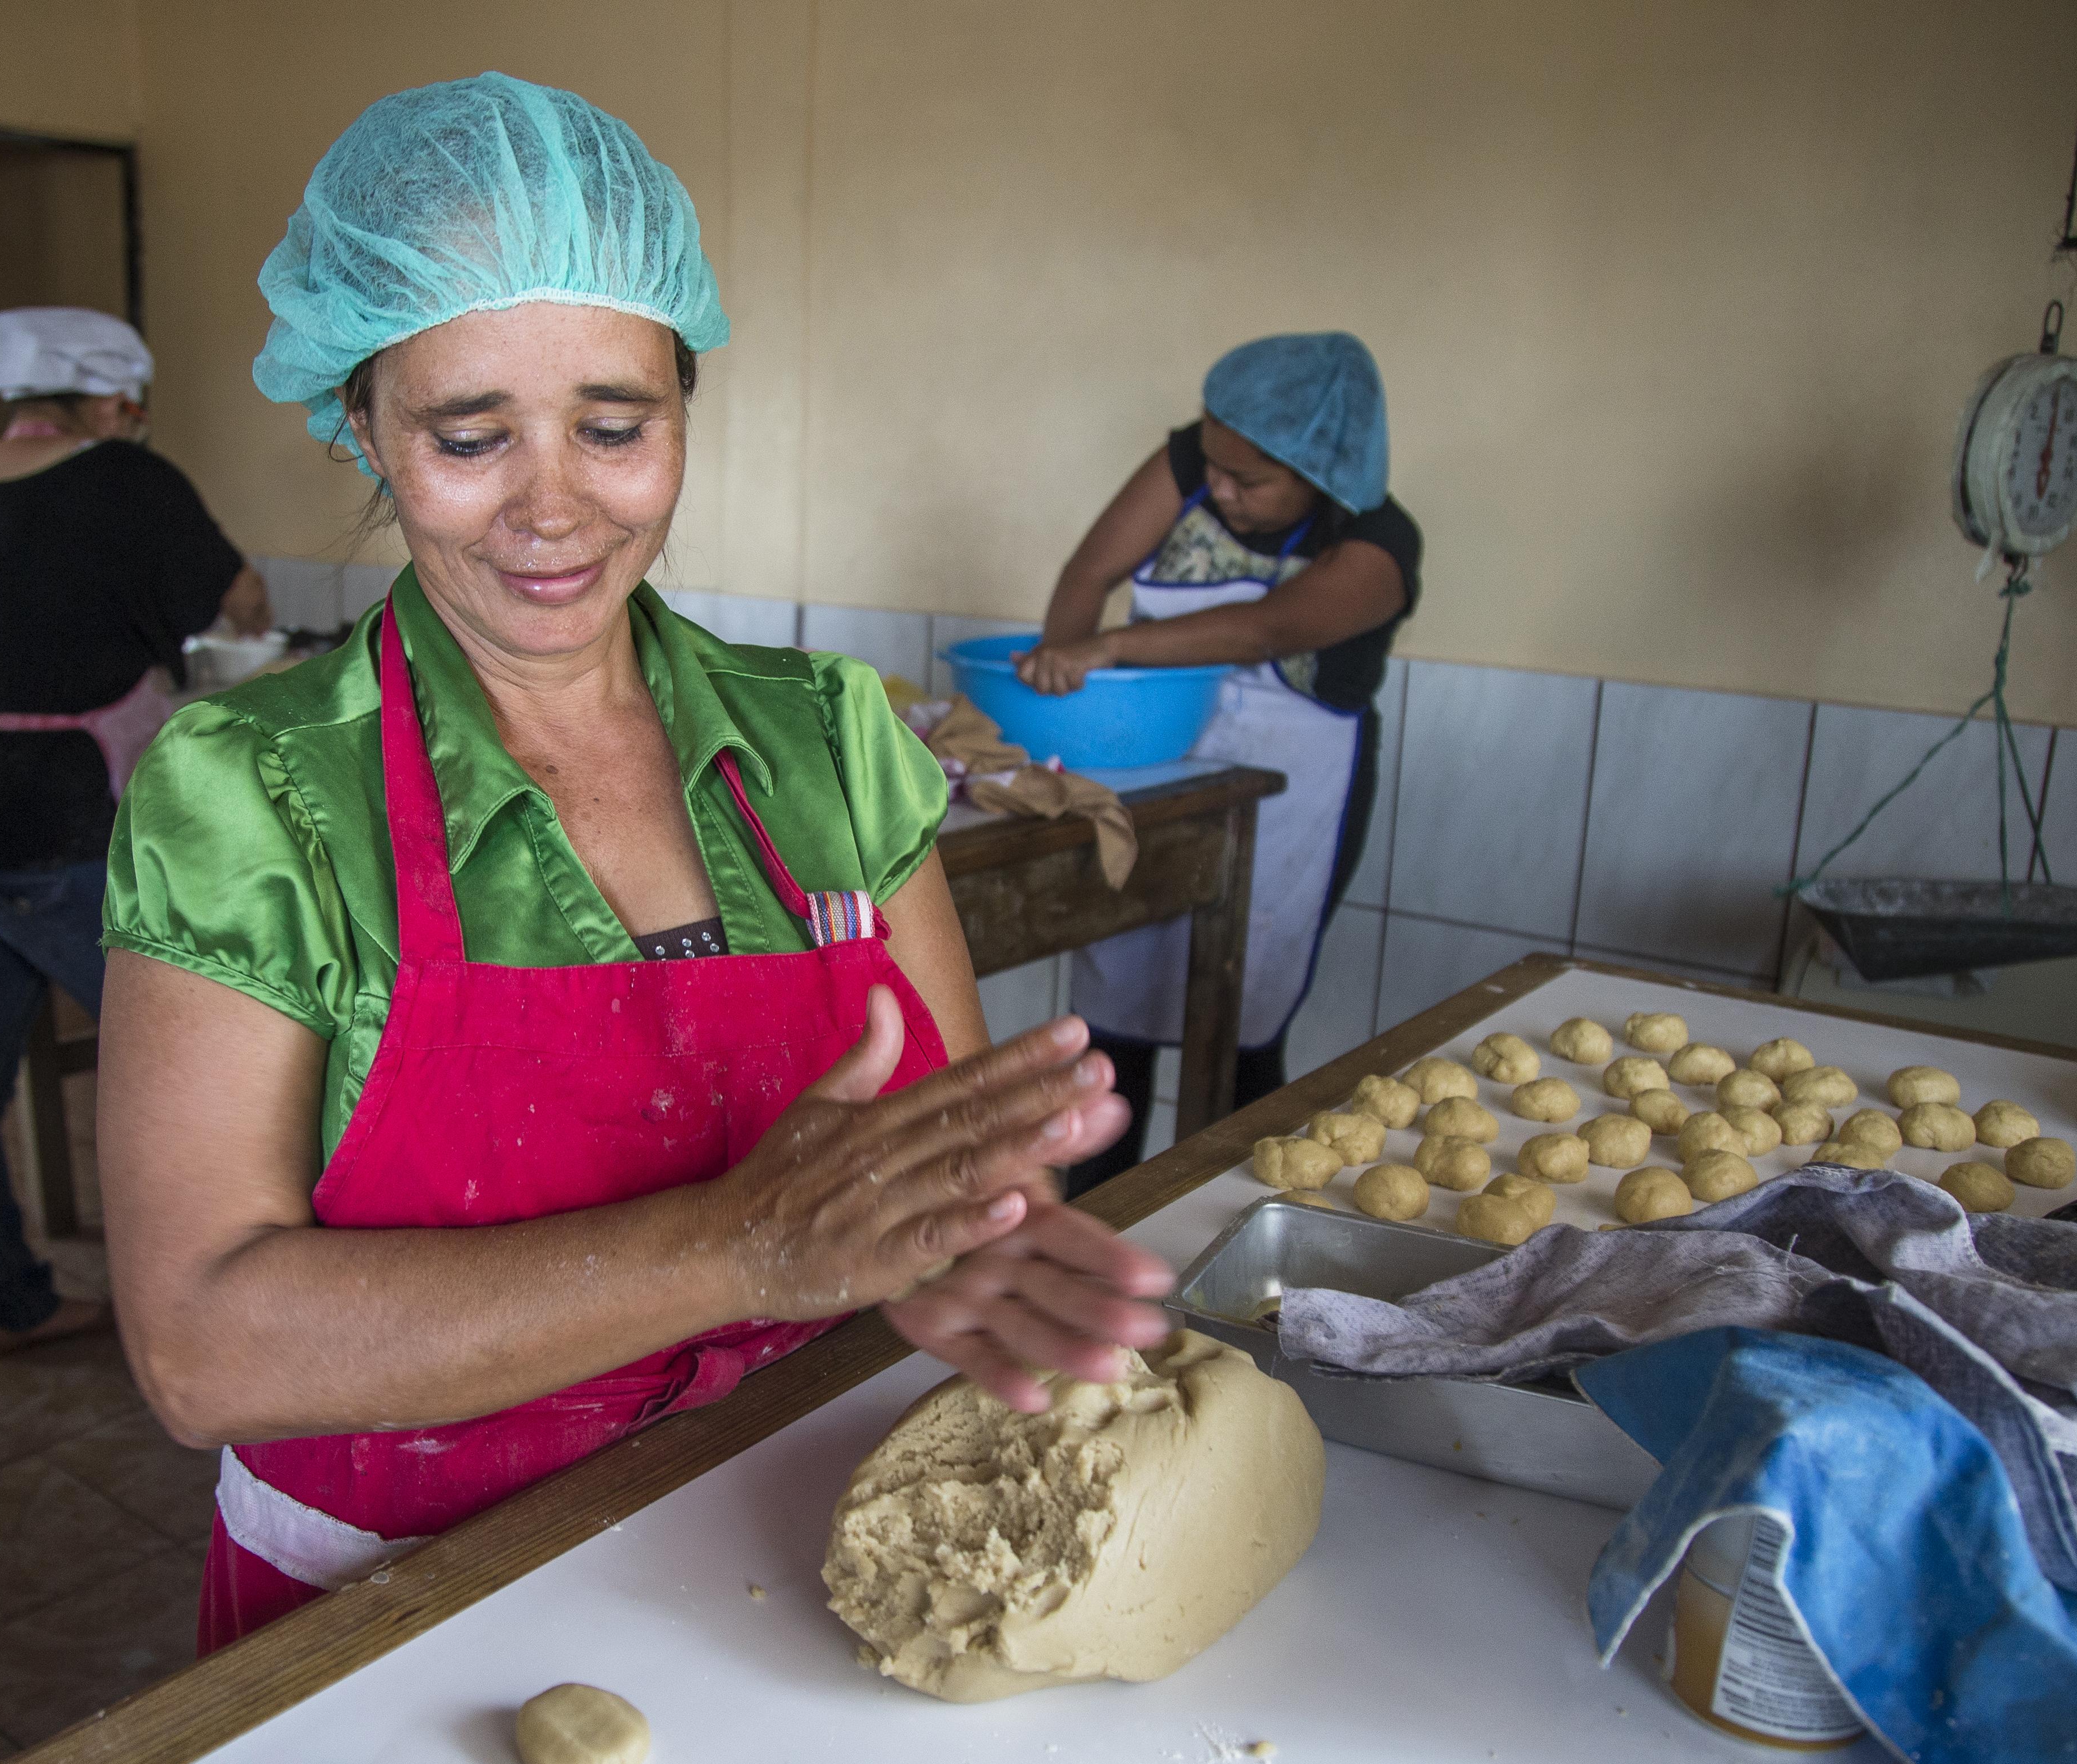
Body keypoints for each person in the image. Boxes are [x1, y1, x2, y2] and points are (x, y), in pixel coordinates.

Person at [94, 74, 1172, 1653]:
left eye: (617, 426)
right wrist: (742, 1247)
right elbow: (200, 1347)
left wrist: (965, 1245)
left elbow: (941, 1168)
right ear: (362, 427)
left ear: (683, 407)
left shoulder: (827, 740)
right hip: (384, 1621)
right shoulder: (256, 794)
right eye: (469, 436)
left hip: (796, 1562)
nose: (554, 509)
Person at [0, 305, 270, 1357]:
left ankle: (8, 1299)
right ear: (111, 401)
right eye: (131, 408)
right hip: (63, 839)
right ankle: (227, 1313)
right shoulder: (126, 480)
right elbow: (243, 606)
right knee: (198, 1078)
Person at [1023, 334, 1423, 1193]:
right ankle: (1096, 1228)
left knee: (1241, 1020)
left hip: (1292, 795)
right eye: (1216, 467)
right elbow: (1089, 570)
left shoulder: (1382, 544)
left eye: (1251, 481)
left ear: (1323, 474)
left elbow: (1269, 629)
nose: (1221, 491)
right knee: (1112, 1022)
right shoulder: (1194, 460)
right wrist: (1066, 675)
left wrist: (1110, 648)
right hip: (1153, 764)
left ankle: (1224, 1231)